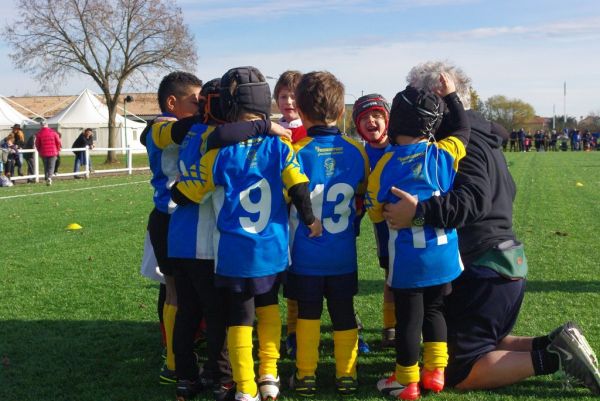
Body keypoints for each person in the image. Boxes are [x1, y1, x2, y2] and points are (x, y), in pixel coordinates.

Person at [382, 61, 600, 396]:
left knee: (461, 369)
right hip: (502, 264)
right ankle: (554, 342)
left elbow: (475, 200)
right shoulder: (479, 134)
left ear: (438, 100)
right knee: (482, 341)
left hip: (486, 269)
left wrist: (419, 213)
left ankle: (554, 358)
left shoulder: (461, 144)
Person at [171, 66, 322, 401]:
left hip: (234, 252)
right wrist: (311, 220)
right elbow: (299, 188)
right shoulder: (281, 148)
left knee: (239, 319)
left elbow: (186, 193)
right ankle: (269, 375)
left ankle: (245, 388)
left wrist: (175, 190)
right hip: (271, 248)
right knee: (269, 309)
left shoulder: (218, 153)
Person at [369, 74, 470, 400]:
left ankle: (407, 381)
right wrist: (453, 97)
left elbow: (373, 209)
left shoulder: (386, 163)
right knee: (436, 310)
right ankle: (435, 373)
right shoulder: (443, 154)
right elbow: (463, 131)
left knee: (409, 320)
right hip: (444, 256)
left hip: (409, 260)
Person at [286, 71, 368, 397]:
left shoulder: (295, 150)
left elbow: (284, 196)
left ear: (301, 113)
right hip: (342, 255)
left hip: (305, 254)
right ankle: (346, 376)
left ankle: (305, 375)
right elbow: (361, 191)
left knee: (307, 314)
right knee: (344, 313)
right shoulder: (356, 151)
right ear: (341, 112)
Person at [352, 93, 396, 348]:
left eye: (377, 115)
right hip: (376, 219)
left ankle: (395, 324)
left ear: (387, 119)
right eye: (365, 117)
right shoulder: (359, 153)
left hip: (403, 220)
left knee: (399, 272)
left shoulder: (401, 146)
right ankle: (388, 325)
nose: (371, 121)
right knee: (389, 269)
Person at [272, 70, 305, 359]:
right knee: (288, 273)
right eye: (283, 95)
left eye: (294, 95)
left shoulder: (308, 130)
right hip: (278, 212)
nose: (289, 101)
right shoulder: (269, 129)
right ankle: (291, 330)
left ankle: (348, 323)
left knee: (310, 271)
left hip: (305, 211)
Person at [34, 121, 61, 185]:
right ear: (47, 125)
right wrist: (58, 149)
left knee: (46, 166)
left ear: (41, 125)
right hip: (53, 152)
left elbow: (37, 144)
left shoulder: (39, 133)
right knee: (51, 166)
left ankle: (46, 178)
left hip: (43, 152)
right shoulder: (53, 132)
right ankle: (49, 177)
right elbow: (58, 142)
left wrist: (39, 150)